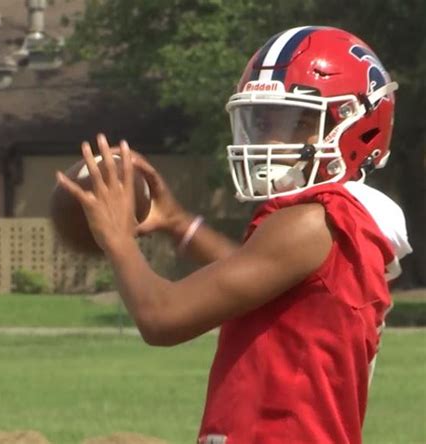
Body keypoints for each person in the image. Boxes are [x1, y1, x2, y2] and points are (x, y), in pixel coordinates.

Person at [57, 26, 412, 444]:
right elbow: (250, 278)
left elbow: (161, 318)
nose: (271, 139)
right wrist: (178, 223)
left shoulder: (314, 221)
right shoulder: (341, 224)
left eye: (298, 121)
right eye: (263, 120)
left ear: (359, 126)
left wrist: (117, 238)